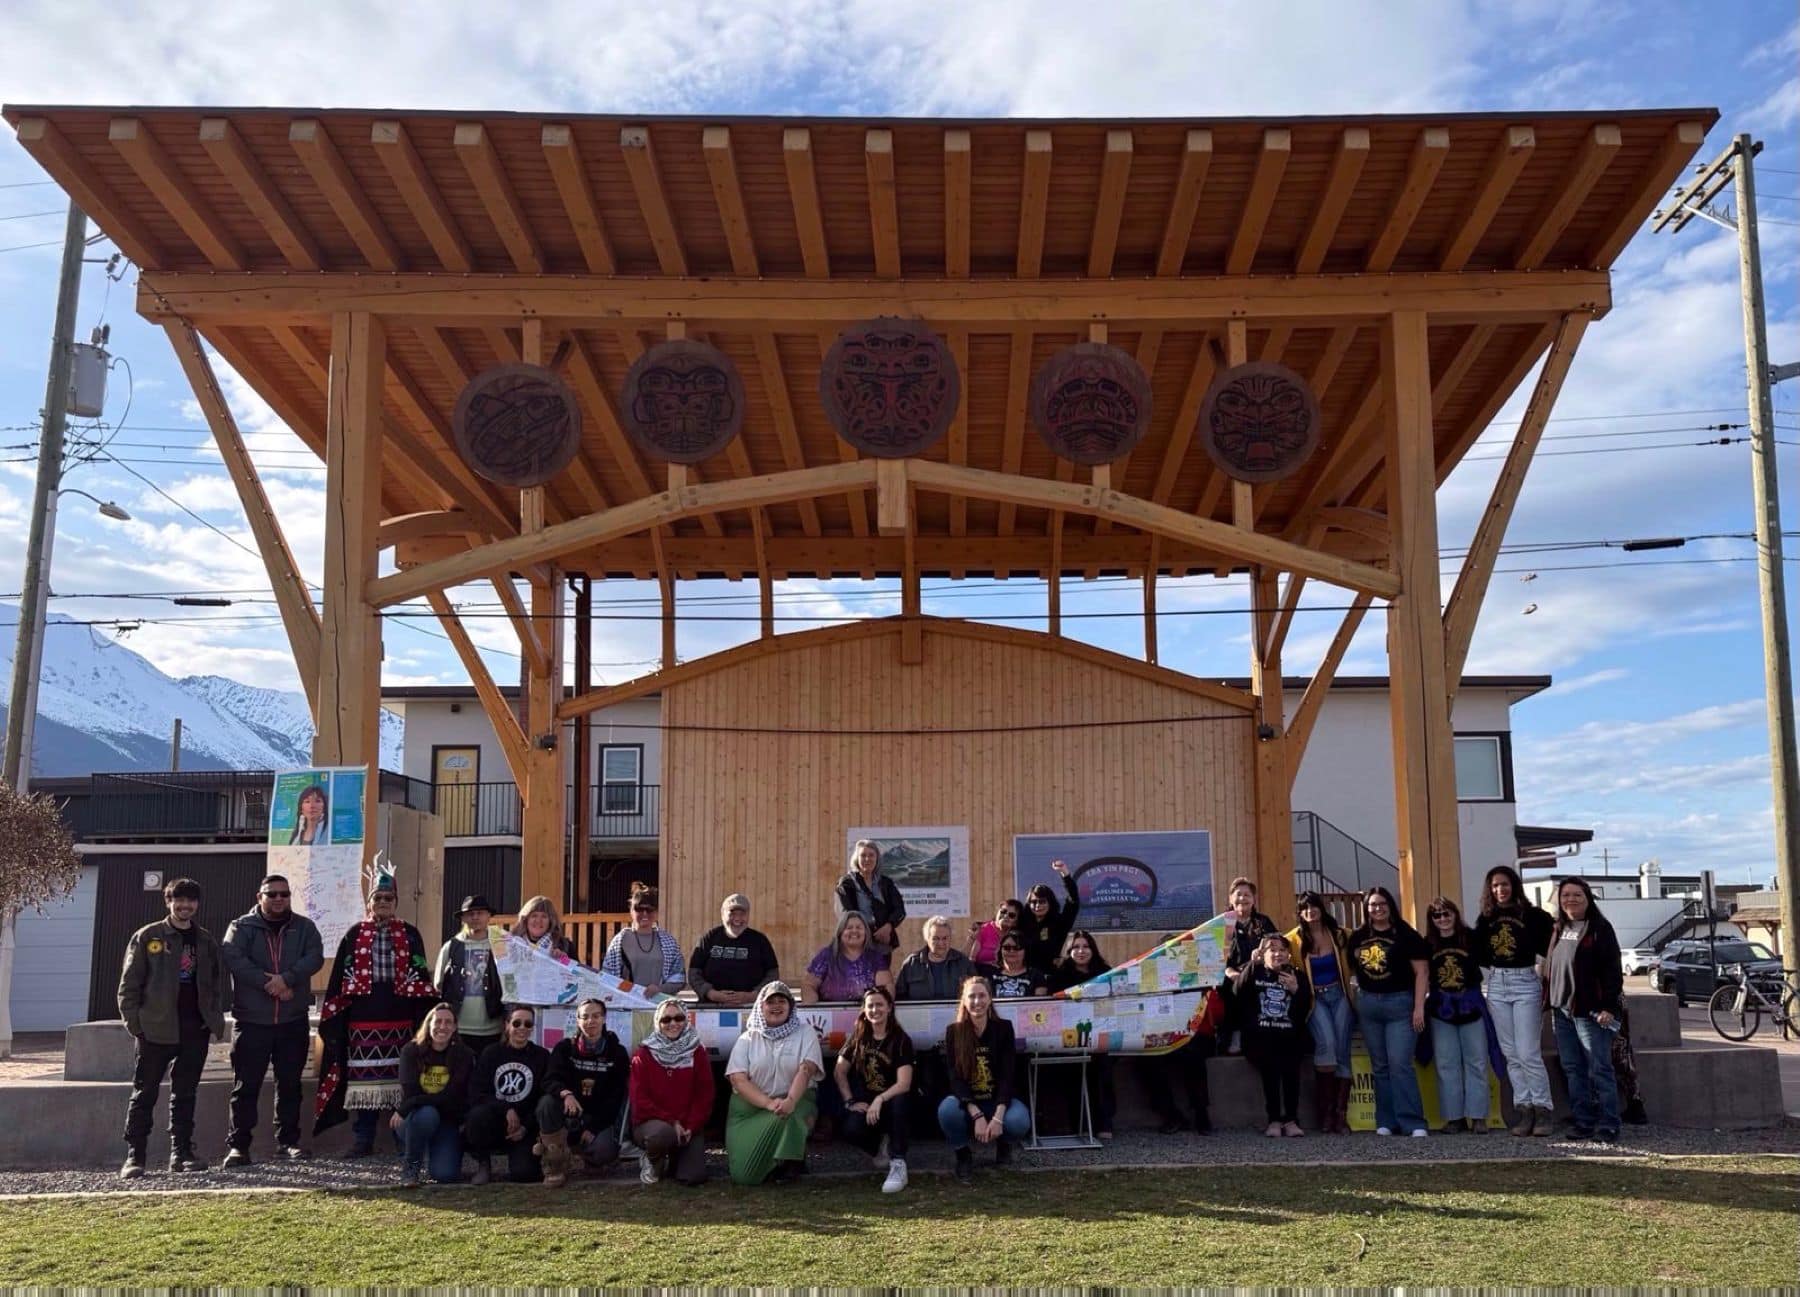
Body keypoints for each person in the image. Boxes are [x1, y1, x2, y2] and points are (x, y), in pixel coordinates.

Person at [315, 869, 439, 1154]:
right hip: (362, 1020)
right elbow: (340, 978)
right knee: (364, 1082)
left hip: (401, 1020)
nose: (383, 902)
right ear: (369, 903)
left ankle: (401, 1136)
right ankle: (363, 1138)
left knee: (403, 1078)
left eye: (389, 898)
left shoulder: (409, 934)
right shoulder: (355, 934)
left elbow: (419, 974)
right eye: (378, 898)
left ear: (396, 902)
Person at [116, 877, 228, 1179]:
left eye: (190, 900)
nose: (185, 906)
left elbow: (215, 984)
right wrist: (135, 1024)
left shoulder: (205, 940)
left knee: (185, 1093)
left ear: (197, 904)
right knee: (144, 1093)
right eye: (178, 900)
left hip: (194, 1028)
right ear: (168, 902)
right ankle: (135, 1156)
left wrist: (212, 1019)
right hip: (155, 1029)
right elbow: (129, 984)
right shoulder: (148, 936)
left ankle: (182, 1153)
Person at [219, 874, 324, 1167]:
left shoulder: (304, 927)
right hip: (252, 1021)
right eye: (272, 894)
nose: (278, 899)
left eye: (284, 894)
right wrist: (270, 983)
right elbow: (233, 958)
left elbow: (314, 956)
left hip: (292, 1020)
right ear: (259, 897)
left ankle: (288, 1142)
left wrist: (288, 978)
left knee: (290, 1085)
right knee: (245, 1086)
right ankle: (239, 1146)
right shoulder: (240, 927)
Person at [1473, 864, 1555, 1137]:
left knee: (1528, 1051)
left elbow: (1552, 945)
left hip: (1525, 983)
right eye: (1495, 885)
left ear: (1514, 886)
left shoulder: (1532, 915)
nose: (1500, 890)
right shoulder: (1486, 919)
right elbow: (1479, 953)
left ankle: (1543, 1110)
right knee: (1510, 1053)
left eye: (1505, 884)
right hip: (1496, 984)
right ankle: (1524, 1109)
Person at [1347, 886, 1430, 1137]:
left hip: (1400, 1004)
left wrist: (1418, 1008)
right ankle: (1386, 1120)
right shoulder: (1358, 936)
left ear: (1391, 905)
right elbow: (1353, 972)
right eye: (1372, 905)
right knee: (1380, 1066)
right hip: (1369, 1005)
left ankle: (1413, 1122)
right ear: (1366, 909)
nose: (1377, 908)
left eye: (1382, 903)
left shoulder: (1406, 934)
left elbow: (1422, 972)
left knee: (1400, 1064)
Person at [1547, 877, 1624, 1144]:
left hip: (1590, 1012)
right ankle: (1583, 1121)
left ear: (1588, 898)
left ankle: (1609, 1123)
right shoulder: (1559, 927)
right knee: (1572, 1068)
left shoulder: (1600, 929)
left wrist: (1609, 1007)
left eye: (1577, 895)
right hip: (1562, 1010)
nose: (1571, 899)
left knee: (1599, 1068)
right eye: (1565, 895)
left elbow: (1613, 971)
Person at [725, 981, 824, 1185]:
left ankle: (789, 1162)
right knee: (743, 1176)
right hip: (751, 1109)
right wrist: (768, 1104)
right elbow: (738, 1079)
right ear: (761, 1006)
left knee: (792, 1116)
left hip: (795, 1101)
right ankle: (770, 1163)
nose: (776, 1006)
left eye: (782, 1001)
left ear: (791, 1006)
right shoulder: (747, 1038)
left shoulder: (806, 1033)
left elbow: (806, 1070)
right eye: (771, 1002)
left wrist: (789, 1101)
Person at [938, 976, 1029, 1184]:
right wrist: (976, 1114)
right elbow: (955, 1078)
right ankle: (963, 1154)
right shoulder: (954, 1031)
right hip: (969, 1101)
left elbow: (1008, 1075)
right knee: (946, 1110)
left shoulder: (1004, 1028)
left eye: (982, 996)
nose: (977, 1002)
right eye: (972, 996)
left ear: (990, 999)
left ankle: (1004, 1144)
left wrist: (998, 1117)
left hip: (998, 1099)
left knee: (1019, 1120)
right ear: (963, 1000)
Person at [534, 998, 630, 1187]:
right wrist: (566, 1094)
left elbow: (616, 1096)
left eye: (596, 1016)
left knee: (605, 1152)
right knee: (546, 1103)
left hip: (597, 1117)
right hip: (567, 1112)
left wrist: (594, 1127)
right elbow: (549, 1080)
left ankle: (587, 1158)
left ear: (604, 1019)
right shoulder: (564, 1048)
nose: (590, 1021)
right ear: (577, 1021)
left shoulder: (617, 1052)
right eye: (585, 1017)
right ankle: (555, 1164)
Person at [833, 985, 914, 1194]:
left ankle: (898, 1162)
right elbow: (839, 1071)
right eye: (870, 1006)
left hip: (892, 1099)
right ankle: (878, 1149)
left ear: (889, 1008)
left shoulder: (901, 1040)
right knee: (849, 1128)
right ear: (864, 1010)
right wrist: (850, 1101)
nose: (875, 1010)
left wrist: (880, 1099)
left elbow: (904, 1083)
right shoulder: (857, 1037)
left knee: (900, 1102)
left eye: (879, 1005)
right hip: (866, 1102)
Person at [1287, 891, 1355, 1134]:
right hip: (1315, 1000)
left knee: (1342, 1049)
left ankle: (1340, 1115)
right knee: (1326, 1044)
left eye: (1313, 906)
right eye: (1304, 909)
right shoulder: (1293, 940)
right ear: (1300, 913)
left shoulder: (1340, 935)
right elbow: (1272, 951)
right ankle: (1324, 1113)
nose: (1310, 912)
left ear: (1321, 908)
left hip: (1340, 996)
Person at [1425, 897, 1493, 1133]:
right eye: (1437, 915)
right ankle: (1454, 1117)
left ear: (1455, 914)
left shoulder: (1471, 938)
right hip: (1441, 1007)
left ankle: (1478, 1116)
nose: (1443, 919)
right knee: (1446, 1064)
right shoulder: (1428, 944)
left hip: (1470, 1005)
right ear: (1431, 920)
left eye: (1447, 914)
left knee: (1476, 1061)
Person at [629, 1000, 714, 1186]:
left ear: (686, 1020)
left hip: (688, 1125)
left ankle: (675, 1159)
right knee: (661, 1135)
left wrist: (691, 1125)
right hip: (653, 1124)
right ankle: (653, 1160)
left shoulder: (697, 1052)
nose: (673, 1024)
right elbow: (639, 1098)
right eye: (666, 1020)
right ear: (657, 1023)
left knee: (693, 1177)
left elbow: (704, 1094)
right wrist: (671, 1121)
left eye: (678, 1018)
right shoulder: (643, 1054)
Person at [465, 1005, 552, 1184]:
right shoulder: (491, 1053)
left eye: (528, 1024)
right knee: (476, 1115)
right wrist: (506, 1108)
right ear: (507, 1025)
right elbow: (477, 1092)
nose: (522, 1028)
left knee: (525, 1175)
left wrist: (525, 1126)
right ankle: (484, 1164)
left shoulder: (542, 1056)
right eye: (517, 1023)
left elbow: (542, 1097)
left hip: (524, 1126)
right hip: (495, 1120)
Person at [1237, 933, 1313, 1137]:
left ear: (1288, 954)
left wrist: (1296, 990)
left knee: (1291, 1075)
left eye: (1282, 950)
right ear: (1263, 953)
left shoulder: (1297, 975)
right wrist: (1252, 964)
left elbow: (1304, 1009)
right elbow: (1239, 991)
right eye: (1272, 950)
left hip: (1290, 1038)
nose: (1277, 954)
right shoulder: (1255, 972)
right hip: (1261, 1038)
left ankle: (1291, 1120)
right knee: (1270, 1075)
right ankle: (1273, 1120)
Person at [393, 1003, 474, 1188]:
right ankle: (411, 1168)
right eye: (438, 1021)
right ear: (428, 1024)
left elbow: (452, 1096)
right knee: (428, 1113)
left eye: (448, 1022)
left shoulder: (465, 1055)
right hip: (414, 1118)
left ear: (454, 1027)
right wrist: (413, 1103)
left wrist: (409, 1103)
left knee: (445, 1175)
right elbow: (411, 1091)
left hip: (446, 1119)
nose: (442, 1027)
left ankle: (435, 1150)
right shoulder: (411, 1051)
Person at [1047, 930, 1116, 1139]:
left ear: (1092, 949)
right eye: (1076, 947)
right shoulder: (1059, 975)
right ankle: (1080, 1124)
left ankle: (1104, 1122)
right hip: (1070, 1036)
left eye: (1085, 946)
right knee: (1073, 1075)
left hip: (1101, 1034)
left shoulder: (1106, 972)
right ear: (1069, 951)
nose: (1081, 951)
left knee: (1102, 1072)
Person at [434, 895, 506, 1058]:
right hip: (459, 1027)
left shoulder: (500, 944)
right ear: (463, 918)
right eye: (470, 914)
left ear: (489, 916)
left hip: (493, 1027)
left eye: (480, 913)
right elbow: (438, 985)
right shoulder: (452, 946)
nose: (475, 917)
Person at [689, 893, 781, 1007]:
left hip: (751, 1006)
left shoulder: (760, 940)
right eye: (732, 913)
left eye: (742, 914)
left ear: (748, 915)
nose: (737, 919)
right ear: (722, 914)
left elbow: (773, 974)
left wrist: (754, 995)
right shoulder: (709, 938)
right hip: (712, 1006)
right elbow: (694, 973)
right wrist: (711, 993)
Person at [1221, 876, 1279, 1053]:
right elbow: (1215, 955)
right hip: (1232, 974)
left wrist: (1264, 958)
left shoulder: (1263, 922)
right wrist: (1228, 970)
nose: (1243, 898)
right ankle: (1235, 1035)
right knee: (1230, 988)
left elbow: (1276, 946)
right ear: (1231, 899)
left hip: (1260, 971)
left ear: (1253, 900)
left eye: (1247, 895)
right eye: (1238, 894)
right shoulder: (1223, 923)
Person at [601, 883, 686, 995]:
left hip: (660, 1005)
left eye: (649, 909)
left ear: (656, 913)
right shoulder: (619, 941)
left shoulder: (669, 941)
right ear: (631, 911)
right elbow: (608, 977)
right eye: (639, 909)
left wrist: (660, 989)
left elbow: (679, 977)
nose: (645, 914)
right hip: (627, 1004)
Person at [834, 838, 907, 965]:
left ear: (877, 858)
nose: (867, 859)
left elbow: (900, 909)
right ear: (857, 858)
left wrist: (888, 927)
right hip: (856, 942)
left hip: (882, 943)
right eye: (863, 855)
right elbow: (846, 913)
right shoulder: (846, 883)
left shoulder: (886, 883)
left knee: (881, 981)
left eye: (871, 855)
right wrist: (866, 932)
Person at [801, 912, 894, 1002]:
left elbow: (886, 988)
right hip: (831, 1014)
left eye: (859, 927)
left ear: (866, 933)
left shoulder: (876, 957)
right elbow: (809, 985)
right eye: (849, 928)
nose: (854, 931)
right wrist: (814, 1009)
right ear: (840, 932)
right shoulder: (826, 955)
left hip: (867, 1014)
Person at [896, 915, 977, 1001]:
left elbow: (975, 992)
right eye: (936, 938)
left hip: (956, 1013)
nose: (941, 943)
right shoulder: (911, 964)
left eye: (945, 938)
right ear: (927, 939)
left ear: (950, 938)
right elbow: (900, 997)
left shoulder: (963, 963)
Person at [1019, 860, 1080, 971]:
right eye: (1033, 902)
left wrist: (1065, 874)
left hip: (1050, 975)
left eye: (1042, 901)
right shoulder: (1022, 922)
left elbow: (1073, 901)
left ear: (1050, 903)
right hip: (1025, 975)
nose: (1037, 906)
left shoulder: (1059, 923)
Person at [981, 932, 1048, 999]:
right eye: (1007, 947)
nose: (1011, 951)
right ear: (1000, 950)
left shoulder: (1036, 975)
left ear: (1025, 951)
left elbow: (1039, 1004)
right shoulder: (990, 975)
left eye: (1017, 947)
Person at [967, 899, 1024, 966]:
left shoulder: (1017, 936)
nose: (1005, 916)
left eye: (1011, 915)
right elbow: (972, 958)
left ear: (1016, 922)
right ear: (997, 913)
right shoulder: (983, 929)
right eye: (1003, 912)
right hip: (982, 972)